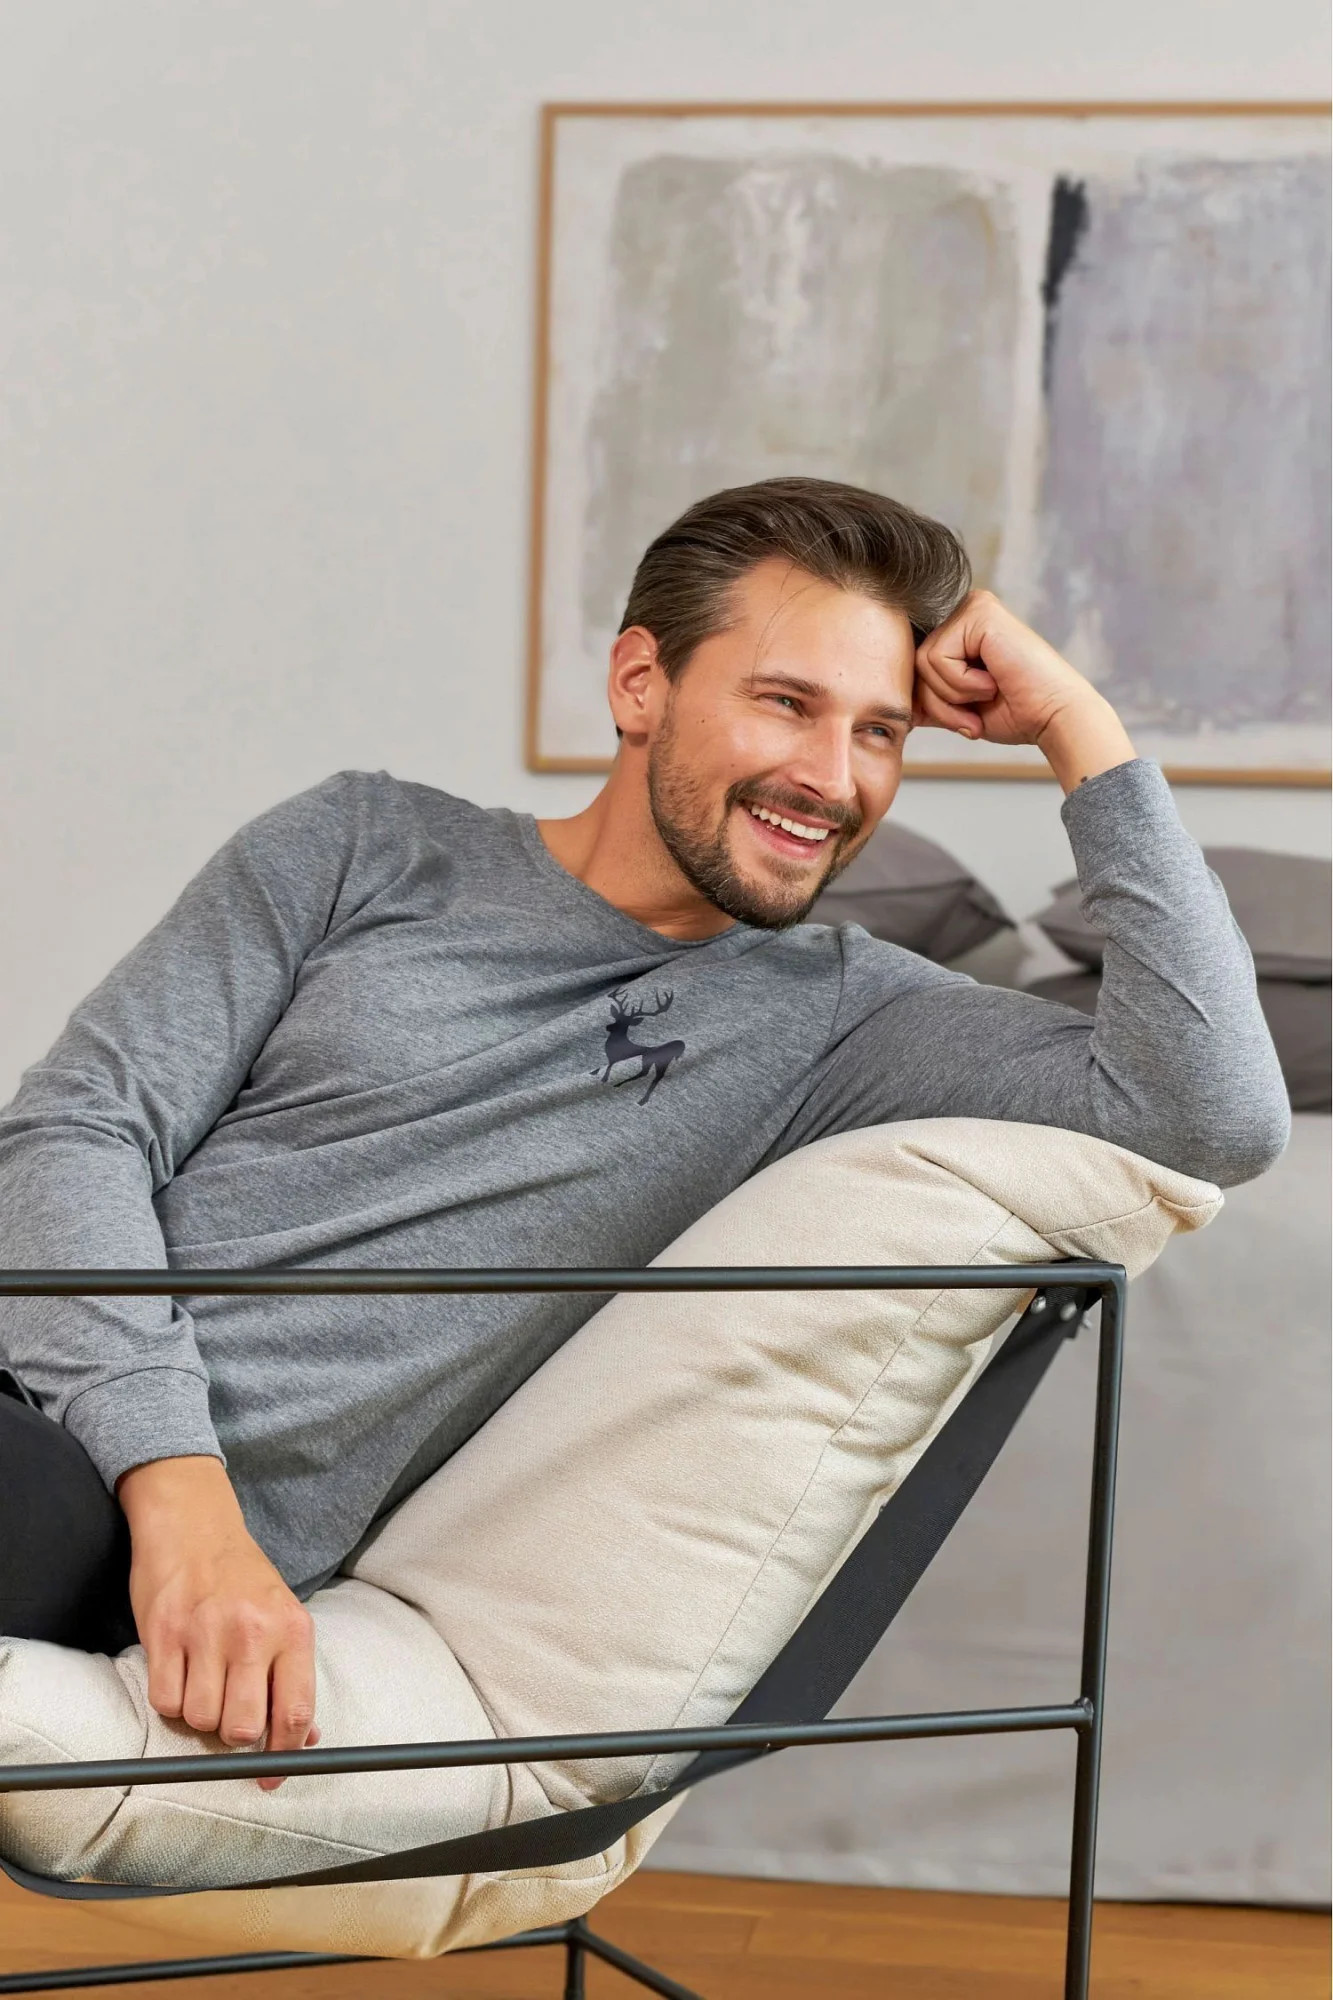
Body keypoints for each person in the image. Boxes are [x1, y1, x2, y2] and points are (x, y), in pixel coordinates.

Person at [0, 477, 1288, 1792]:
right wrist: (181, 1490)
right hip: (71, 1412)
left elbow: (1214, 1111)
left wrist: (1079, 729)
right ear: (638, 685)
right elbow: (76, 1130)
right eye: (784, 703)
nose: (832, 778)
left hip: (75, 1512)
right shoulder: (360, 843)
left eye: (880, 732)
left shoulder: (842, 1019)